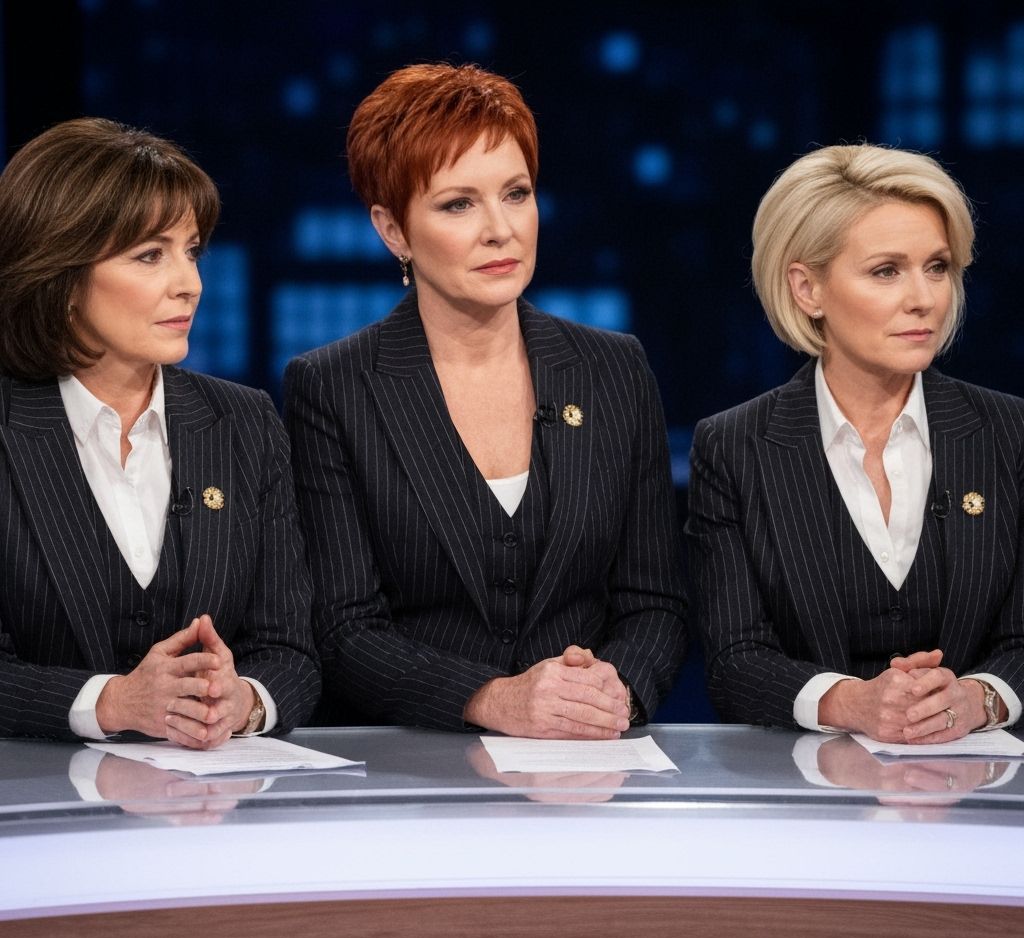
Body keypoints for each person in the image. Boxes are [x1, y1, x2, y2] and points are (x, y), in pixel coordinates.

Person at [284, 63, 686, 737]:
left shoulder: (614, 369)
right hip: (414, 765)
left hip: (586, 761)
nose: (501, 229)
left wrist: (610, 693)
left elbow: (655, 603)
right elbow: (345, 630)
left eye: (516, 194)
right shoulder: (333, 387)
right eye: (458, 204)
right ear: (393, 230)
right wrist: (491, 699)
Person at [687, 143, 1022, 743]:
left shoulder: (1009, 433)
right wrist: (852, 702)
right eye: (886, 271)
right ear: (807, 289)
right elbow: (735, 662)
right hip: (808, 786)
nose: (924, 298)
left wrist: (979, 698)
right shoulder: (734, 447)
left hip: (985, 781)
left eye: (937, 267)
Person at [0, 118, 319, 745]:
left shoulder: (246, 423)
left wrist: (245, 702)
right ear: (61, 277)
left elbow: (291, 651)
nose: (190, 284)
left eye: (192, 251)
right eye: (150, 255)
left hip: (211, 796)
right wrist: (111, 702)